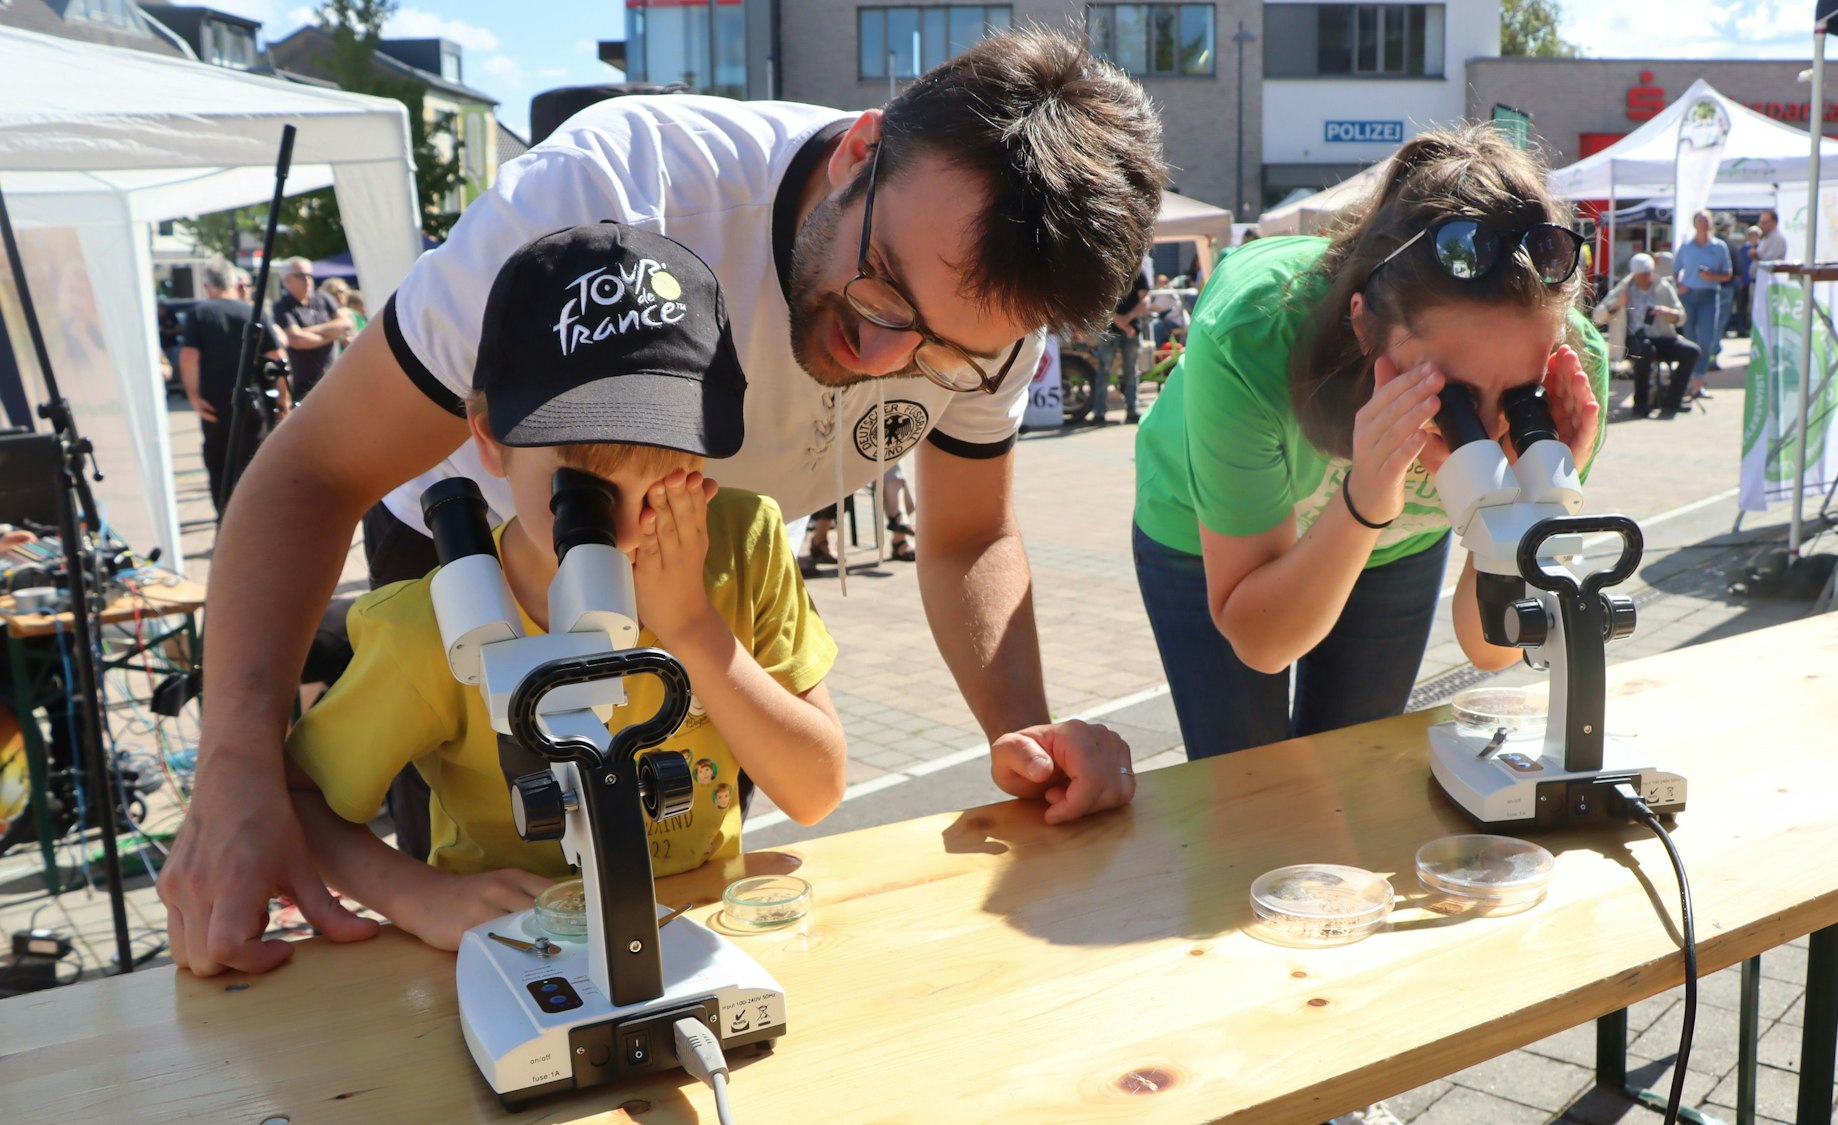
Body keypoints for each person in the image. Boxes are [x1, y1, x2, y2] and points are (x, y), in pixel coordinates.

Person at [161, 28, 1159, 977]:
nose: (881, 359)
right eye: (880, 293)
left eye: (942, 350)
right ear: (862, 150)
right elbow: (313, 473)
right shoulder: (609, 195)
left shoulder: (994, 304)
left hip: (703, 563)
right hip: (474, 553)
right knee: (504, 864)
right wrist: (240, 767)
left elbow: (967, 536)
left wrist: (1026, 743)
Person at [284, 225, 845, 951]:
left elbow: (815, 790)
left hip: (698, 931)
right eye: (583, 489)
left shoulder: (740, 544)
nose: (627, 525)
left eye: (671, 474)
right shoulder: (432, 628)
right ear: (489, 437)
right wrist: (416, 895)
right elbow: (297, 799)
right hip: (520, 947)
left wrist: (693, 627)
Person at [1130, 125, 1609, 760]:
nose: (1492, 431)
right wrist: (1364, 499)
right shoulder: (1254, 329)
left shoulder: (1570, 378)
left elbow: (1489, 648)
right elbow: (1262, 641)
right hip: (1205, 539)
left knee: (1351, 772)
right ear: (1362, 322)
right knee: (1244, 780)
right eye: (1454, 396)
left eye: (1516, 396)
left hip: (1393, 550)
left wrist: (1531, 505)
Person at [177, 259, 286, 510]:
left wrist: (193, 397)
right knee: (253, 465)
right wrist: (283, 398)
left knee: (220, 467)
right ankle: (256, 522)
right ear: (234, 283)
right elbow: (278, 357)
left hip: (215, 403)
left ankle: (225, 523)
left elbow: (188, 357)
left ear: (207, 286)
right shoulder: (252, 311)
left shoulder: (199, 313)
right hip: (253, 401)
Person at [1593, 252, 1697, 418]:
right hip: (1635, 340)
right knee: (1645, 350)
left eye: (1648, 273)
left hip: (1662, 337)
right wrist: (1618, 304)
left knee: (1692, 351)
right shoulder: (1624, 289)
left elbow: (1681, 317)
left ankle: (1672, 400)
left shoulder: (1663, 287)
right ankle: (1641, 404)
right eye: (1642, 275)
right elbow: (1598, 316)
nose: (1646, 278)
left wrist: (1667, 312)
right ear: (1635, 275)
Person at [1673, 211, 1731, 401]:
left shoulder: (1719, 246)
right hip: (1689, 296)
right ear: (1694, 224)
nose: (1703, 225)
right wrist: (1679, 285)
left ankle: (1699, 381)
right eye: (1699, 221)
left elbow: (1727, 274)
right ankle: (1688, 381)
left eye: (1705, 221)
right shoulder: (1687, 247)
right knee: (1689, 339)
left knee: (1706, 340)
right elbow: (1675, 270)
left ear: (1710, 224)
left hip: (1709, 295)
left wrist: (1711, 276)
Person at [270, 257, 346, 401]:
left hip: (333, 379)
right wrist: (332, 334)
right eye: (301, 275)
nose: (307, 280)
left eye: (310, 275)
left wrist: (306, 331)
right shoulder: (282, 306)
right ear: (287, 280)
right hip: (304, 386)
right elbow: (297, 340)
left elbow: (345, 323)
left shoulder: (323, 299)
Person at [1093, 270, 1148, 425]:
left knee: (1131, 371)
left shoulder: (1139, 274)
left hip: (1131, 328)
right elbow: (1101, 300)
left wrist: (1126, 319)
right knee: (1104, 370)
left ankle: (1132, 410)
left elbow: (1145, 301)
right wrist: (1122, 322)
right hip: (1110, 330)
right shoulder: (1109, 269)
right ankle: (1099, 412)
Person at [1730, 226, 1759, 336]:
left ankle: (1751, 328)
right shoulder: (1744, 248)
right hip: (1744, 280)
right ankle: (1741, 328)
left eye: (1755, 235)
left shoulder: (1760, 248)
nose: (1753, 237)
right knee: (1741, 305)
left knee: (1753, 306)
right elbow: (1740, 263)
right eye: (1751, 235)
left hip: (1756, 281)